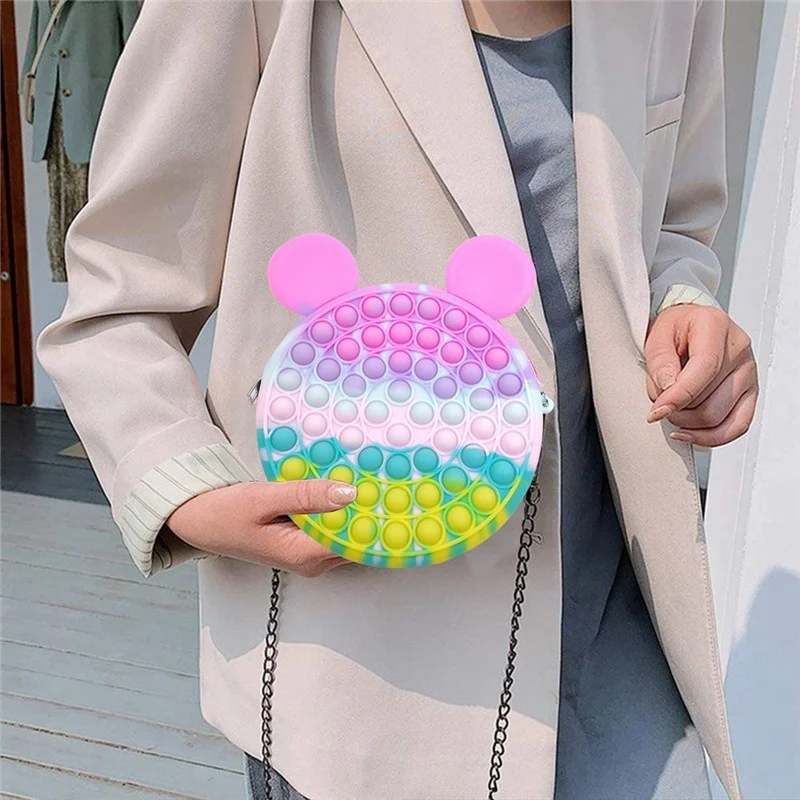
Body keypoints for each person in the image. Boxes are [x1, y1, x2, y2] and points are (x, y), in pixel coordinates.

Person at [38, 1, 758, 798]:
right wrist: (187, 489)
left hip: (613, 631)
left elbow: (672, 223)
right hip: (361, 657)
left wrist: (684, 305)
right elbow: (121, 296)